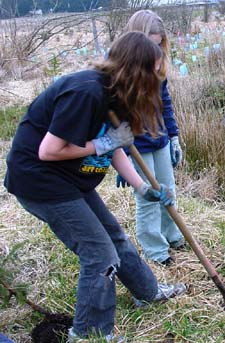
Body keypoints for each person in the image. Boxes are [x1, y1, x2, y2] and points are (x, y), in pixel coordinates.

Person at [4, 31, 186, 343]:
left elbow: (116, 148)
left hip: (70, 180)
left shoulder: (118, 95)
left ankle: (148, 292)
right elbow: (48, 150)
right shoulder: (86, 92)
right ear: (135, 69)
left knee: (114, 236)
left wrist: (143, 188)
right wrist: (102, 142)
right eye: (152, 69)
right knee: (100, 255)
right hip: (40, 181)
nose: (157, 76)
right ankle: (89, 334)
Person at [116, 10, 185, 267]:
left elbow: (164, 103)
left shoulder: (158, 67)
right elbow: (116, 116)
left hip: (161, 140)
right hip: (137, 144)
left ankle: (172, 235)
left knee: (168, 190)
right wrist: (121, 158)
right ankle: (155, 250)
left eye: (158, 45)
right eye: (150, 44)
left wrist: (174, 136)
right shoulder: (120, 72)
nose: (154, 52)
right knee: (148, 198)